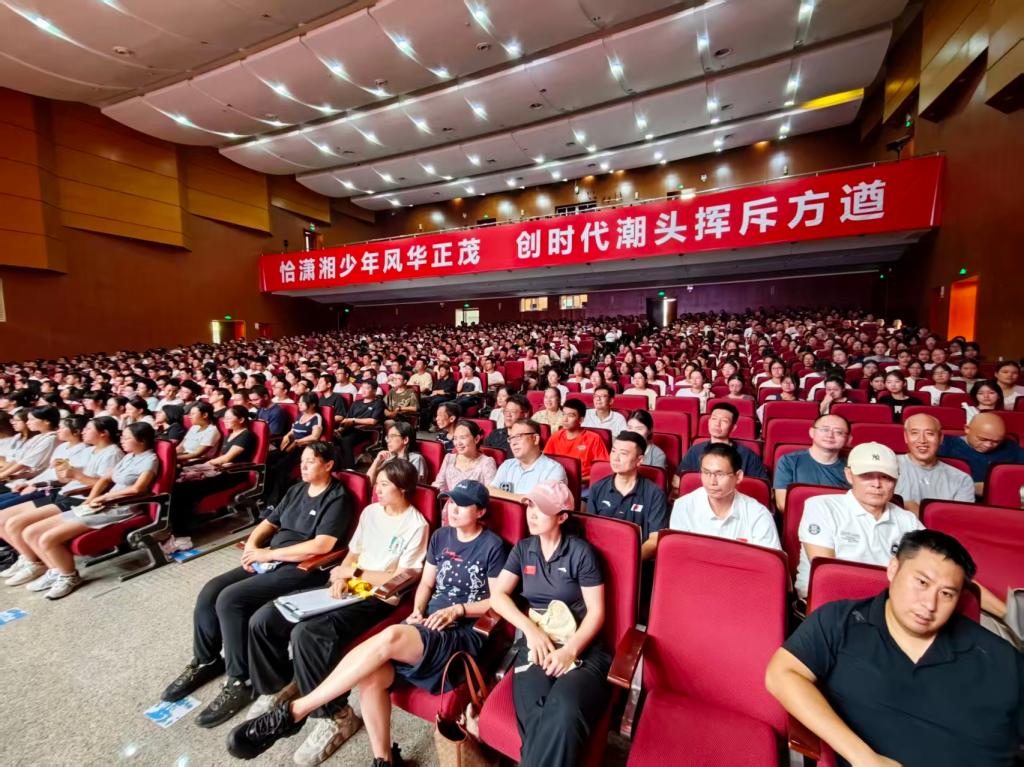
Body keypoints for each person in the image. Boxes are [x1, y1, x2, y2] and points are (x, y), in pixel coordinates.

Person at [227, 480, 506, 766]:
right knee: (371, 676)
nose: (452, 509)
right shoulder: (441, 537)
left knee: (391, 636)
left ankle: (295, 711)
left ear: (480, 512)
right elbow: (426, 584)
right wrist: (418, 610)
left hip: (460, 634)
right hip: (424, 626)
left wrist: (458, 610)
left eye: (462, 505)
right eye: (450, 502)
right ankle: (384, 761)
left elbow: (498, 602)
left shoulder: (492, 546)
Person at [766, 529, 1024, 767]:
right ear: (893, 569)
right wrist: (864, 757)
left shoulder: (1001, 658)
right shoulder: (840, 622)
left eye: (946, 594)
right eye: (922, 582)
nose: (930, 604)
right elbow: (782, 674)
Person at [242, 459, 428, 763]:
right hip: (349, 585)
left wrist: (353, 575)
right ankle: (282, 685)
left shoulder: (416, 524)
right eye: (378, 483)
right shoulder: (370, 512)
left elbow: (399, 576)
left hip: (377, 596)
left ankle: (336, 715)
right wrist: (341, 574)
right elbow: (353, 553)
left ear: (403, 489)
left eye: (384, 485)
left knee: (308, 633)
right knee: (269, 616)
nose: (377, 490)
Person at [159, 443, 350, 728]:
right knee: (211, 591)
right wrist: (252, 547)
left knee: (231, 599)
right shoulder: (297, 490)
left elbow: (321, 545)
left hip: (301, 568)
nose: (303, 465)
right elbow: (269, 524)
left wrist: (268, 554)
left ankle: (241, 679)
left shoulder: (337, 497)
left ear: (329, 465)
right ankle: (206, 659)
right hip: (270, 559)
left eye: (311, 461)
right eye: (302, 460)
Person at [488, 480, 611, 767]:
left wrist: (569, 651)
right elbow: (498, 596)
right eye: (530, 505)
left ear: (562, 517)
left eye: (541, 509)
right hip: (537, 646)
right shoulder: (523, 549)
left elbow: (596, 613)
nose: (532, 513)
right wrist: (530, 630)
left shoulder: (580, 553)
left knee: (564, 710)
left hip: (581, 648)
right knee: (536, 714)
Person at [7, 422, 159, 599]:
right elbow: (104, 479)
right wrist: (90, 499)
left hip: (120, 508)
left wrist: (104, 498)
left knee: (48, 539)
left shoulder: (150, 459)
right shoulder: (129, 456)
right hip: (102, 504)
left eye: (126, 438)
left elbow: (137, 489)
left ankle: (69, 577)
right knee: (30, 532)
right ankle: (55, 571)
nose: (122, 441)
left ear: (141, 440)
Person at [795, 442, 924, 597]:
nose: (877, 484)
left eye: (886, 477)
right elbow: (828, 573)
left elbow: (927, 569)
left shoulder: (908, 520)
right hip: (830, 599)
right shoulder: (822, 507)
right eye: (867, 475)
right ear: (849, 475)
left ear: (896, 480)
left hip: (888, 601)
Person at [0, 416, 123, 571]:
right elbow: (65, 479)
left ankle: (36, 564)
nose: (83, 432)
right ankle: (28, 559)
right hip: (62, 494)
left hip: (76, 499)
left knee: (16, 524)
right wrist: (62, 469)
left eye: (88, 429)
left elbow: (104, 485)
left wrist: (76, 475)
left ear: (103, 433)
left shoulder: (112, 453)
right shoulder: (89, 450)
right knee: (2, 518)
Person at [167, 405, 259, 547]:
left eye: (229, 418)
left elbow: (227, 458)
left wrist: (206, 465)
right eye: (225, 418)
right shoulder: (230, 434)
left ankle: (182, 534)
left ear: (241, 420)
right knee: (178, 485)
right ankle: (182, 524)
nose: (225, 421)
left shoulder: (246, 435)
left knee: (183, 490)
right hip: (221, 470)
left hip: (233, 474)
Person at [670, 442, 781, 549]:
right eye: (706, 472)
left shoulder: (758, 514)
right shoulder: (683, 506)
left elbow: (768, 561)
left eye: (720, 474)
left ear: (738, 476)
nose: (712, 482)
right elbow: (678, 554)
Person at [587, 431, 666, 560]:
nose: (615, 458)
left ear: (639, 460)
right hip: (599, 560)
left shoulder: (655, 494)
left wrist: (628, 562)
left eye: (623, 454)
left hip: (636, 561)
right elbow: (590, 532)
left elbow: (654, 540)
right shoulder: (597, 488)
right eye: (613, 451)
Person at [676, 403, 767, 492]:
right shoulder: (695, 450)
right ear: (709, 422)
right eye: (714, 419)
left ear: (733, 427)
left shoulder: (748, 455)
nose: (717, 424)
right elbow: (677, 480)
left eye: (724, 421)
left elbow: (762, 489)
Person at [895, 413, 974, 514]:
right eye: (914, 433)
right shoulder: (887, 468)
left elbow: (958, 519)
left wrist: (919, 512)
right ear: (906, 437)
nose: (922, 440)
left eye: (930, 434)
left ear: (940, 438)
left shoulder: (962, 480)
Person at [773, 414, 852, 509]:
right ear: (812, 432)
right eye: (824, 430)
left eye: (838, 432)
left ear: (848, 439)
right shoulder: (789, 461)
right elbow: (783, 504)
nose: (830, 435)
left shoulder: (853, 467)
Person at [938, 412, 1024, 495]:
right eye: (982, 439)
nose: (988, 445)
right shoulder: (945, 445)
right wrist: (972, 487)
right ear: (967, 429)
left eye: (996, 441)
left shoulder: (1010, 447)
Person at [264, 393, 324, 507]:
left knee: (279, 467)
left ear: (312, 404)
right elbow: (293, 430)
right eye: (299, 402)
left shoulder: (316, 417)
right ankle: (265, 495)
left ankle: (274, 503)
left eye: (302, 402)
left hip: (304, 450)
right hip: (291, 447)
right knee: (267, 460)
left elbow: (315, 437)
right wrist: (287, 436)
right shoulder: (300, 416)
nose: (299, 404)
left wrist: (297, 442)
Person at [489, 419, 567, 500]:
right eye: (511, 438)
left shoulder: (553, 470)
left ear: (535, 439)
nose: (513, 443)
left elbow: (542, 503)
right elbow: (491, 491)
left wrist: (503, 495)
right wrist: (523, 498)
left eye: (518, 437)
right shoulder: (507, 465)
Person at [543, 399, 609, 485]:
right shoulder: (556, 436)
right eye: (563, 414)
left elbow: (603, 470)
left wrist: (579, 480)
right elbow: (545, 462)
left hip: (583, 484)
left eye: (570, 416)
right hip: (558, 482)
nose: (565, 419)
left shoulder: (594, 439)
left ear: (581, 420)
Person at [431, 419, 497, 495]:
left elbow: (491, 493)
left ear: (476, 439)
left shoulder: (487, 462)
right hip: (450, 501)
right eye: (455, 438)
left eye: (462, 438)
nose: (458, 443)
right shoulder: (449, 458)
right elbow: (438, 485)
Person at [0, 406, 60, 488]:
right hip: (21, 477)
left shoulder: (51, 439)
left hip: (35, 481)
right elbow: (17, 461)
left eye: (32, 420)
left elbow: (25, 463)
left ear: (46, 421)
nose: (28, 423)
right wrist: (3, 474)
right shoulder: (38, 437)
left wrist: (2, 475)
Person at [335, 380, 384, 470]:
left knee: (346, 440)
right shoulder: (356, 403)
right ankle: (337, 467)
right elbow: (347, 420)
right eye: (362, 388)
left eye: (367, 388)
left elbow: (373, 421)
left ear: (374, 391)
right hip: (350, 429)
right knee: (333, 439)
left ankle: (350, 469)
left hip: (365, 431)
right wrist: (340, 430)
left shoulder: (378, 403)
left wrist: (354, 420)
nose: (363, 390)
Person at [367, 421, 426, 485]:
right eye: (387, 437)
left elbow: (412, 487)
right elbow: (368, 483)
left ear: (405, 440)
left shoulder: (416, 459)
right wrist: (376, 461)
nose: (388, 441)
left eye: (392, 436)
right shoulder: (389, 457)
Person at [484, 394, 528, 458]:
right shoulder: (495, 434)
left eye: (513, 411)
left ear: (524, 414)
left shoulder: (528, 438)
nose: (508, 415)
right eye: (506, 411)